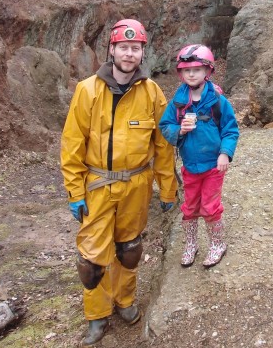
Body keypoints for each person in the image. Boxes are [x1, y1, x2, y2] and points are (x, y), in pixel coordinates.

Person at [60, 18, 177, 346]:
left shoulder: (152, 92)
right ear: (112, 50)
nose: (129, 54)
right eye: (123, 47)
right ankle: (96, 316)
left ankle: (124, 302)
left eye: (135, 48)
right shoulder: (87, 90)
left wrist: (168, 188)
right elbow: (72, 144)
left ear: (142, 53)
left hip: (136, 186)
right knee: (93, 259)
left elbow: (163, 146)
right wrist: (74, 191)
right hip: (97, 185)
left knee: (128, 250)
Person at [158, 44, 239, 268]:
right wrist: (179, 131)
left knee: (210, 207)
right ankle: (191, 243)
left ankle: (217, 243)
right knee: (190, 207)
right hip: (190, 166)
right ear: (180, 73)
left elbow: (231, 130)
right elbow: (165, 125)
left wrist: (225, 154)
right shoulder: (178, 102)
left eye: (196, 69)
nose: (191, 74)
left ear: (208, 71)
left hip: (213, 166)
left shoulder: (218, 101)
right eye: (186, 70)